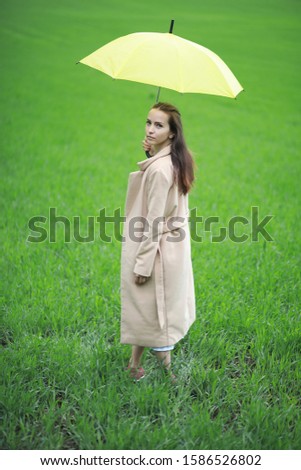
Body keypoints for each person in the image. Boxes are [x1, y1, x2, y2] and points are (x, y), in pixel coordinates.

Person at [120, 102, 196, 381]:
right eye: (148, 122)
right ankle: (133, 365)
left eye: (159, 125)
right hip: (172, 247)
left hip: (158, 251)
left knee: (158, 312)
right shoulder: (175, 159)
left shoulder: (161, 169)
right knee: (147, 308)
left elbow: (152, 221)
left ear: (172, 133)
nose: (150, 129)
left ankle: (168, 374)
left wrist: (142, 264)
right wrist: (150, 154)